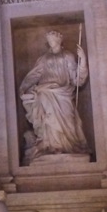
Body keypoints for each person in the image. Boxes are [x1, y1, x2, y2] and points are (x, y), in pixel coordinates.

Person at [19, 30, 89, 161]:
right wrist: (24, 88)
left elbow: (77, 79)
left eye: (53, 40)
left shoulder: (68, 56)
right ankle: (51, 146)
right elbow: (34, 75)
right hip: (45, 92)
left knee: (68, 119)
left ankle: (69, 147)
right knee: (49, 120)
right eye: (49, 40)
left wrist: (83, 60)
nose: (51, 42)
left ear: (59, 41)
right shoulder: (43, 59)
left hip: (64, 94)